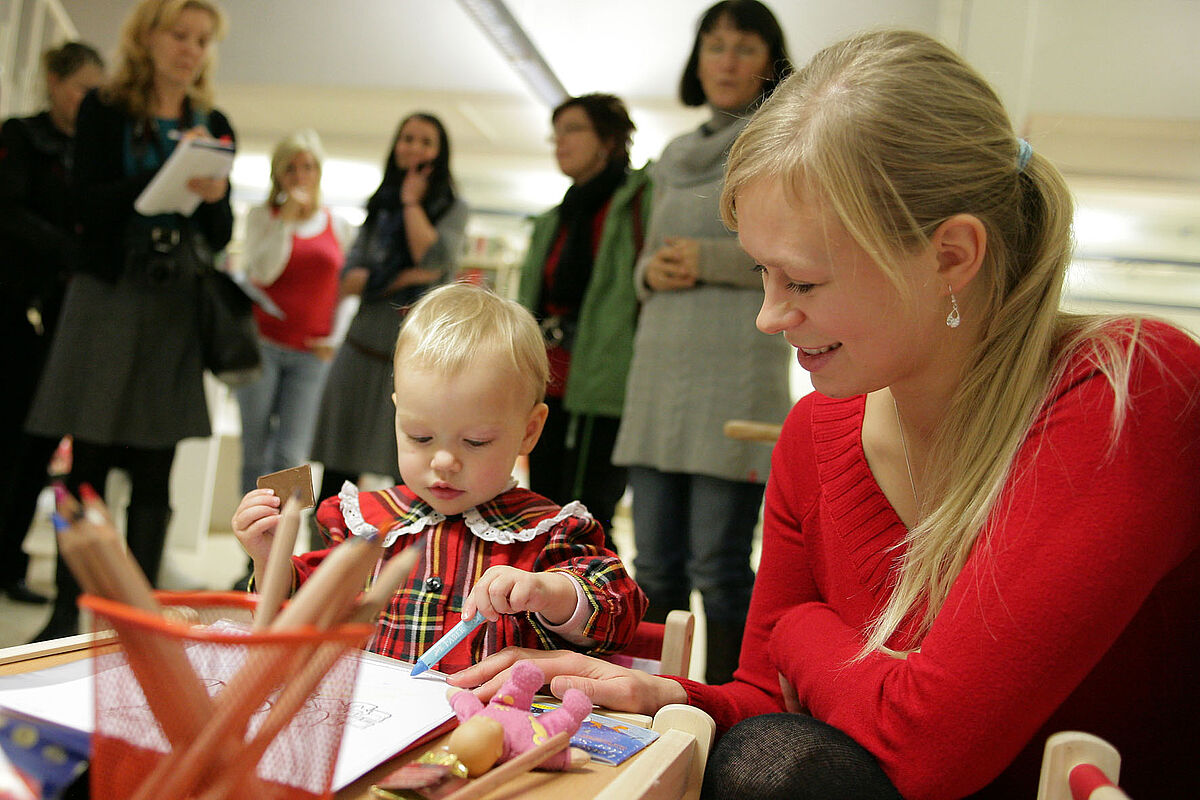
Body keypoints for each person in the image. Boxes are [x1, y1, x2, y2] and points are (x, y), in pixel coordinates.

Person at [448, 29, 1200, 800]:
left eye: (802, 283)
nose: (769, 317)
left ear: (951, 257)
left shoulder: (1126, 390)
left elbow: (928, 749)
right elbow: (770, 700)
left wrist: (800, 628)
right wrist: (670, 696)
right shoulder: (815, 434)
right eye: (762, 275)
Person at [233, 283, 647, 674]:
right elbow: (307, 611)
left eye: (476, 441)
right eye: (420, 437)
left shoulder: (548, 533)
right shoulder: (366, 522)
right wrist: (271, 557)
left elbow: (620, 612)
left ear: (529, 431)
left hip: (489, 733)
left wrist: (549, 592)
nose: (445, 461)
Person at [25, 0, 234, 641]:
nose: (190, 50)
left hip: (172, 310)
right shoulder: (106, 109)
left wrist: (211, 194)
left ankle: (139, 622)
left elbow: (219, 234)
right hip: (107, 299)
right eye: (180, 34)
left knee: (154, 469)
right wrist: (159, 176)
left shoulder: (213, 122)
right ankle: (68, 611)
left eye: (201, 40)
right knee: (86, 461)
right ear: (147, 35)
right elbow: (83, 206)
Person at [611, 0, 793, 685]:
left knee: (718, 571)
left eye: (744, 48)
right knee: (652, 566)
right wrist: (647, 272)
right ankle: (646, 698)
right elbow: (649, 256)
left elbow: (808, 255)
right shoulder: (671, 157)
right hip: (660, 382)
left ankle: (726, 710)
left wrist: (708, 263)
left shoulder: (784, 145)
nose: (725, 60)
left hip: (734, 384)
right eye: (713, 45)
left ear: (770, 63)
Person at [309, 112, 468, 504]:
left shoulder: (453, 208)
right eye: (407, 138)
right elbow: (349, 281)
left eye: (425, 141)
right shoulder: (379, 207)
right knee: (336, 467)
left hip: (415, 361)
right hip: (359, 351)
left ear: (440, 154)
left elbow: (430, 257)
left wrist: (412, 202)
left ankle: (396, 562)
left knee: (407, 470)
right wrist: (401, 277)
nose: (414, 147)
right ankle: (323, 557)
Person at [517, 93, 651, 551]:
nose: (560, 141)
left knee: (591, 511)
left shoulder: (635, 201)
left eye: (574, 129)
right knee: (542, 506)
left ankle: (593, 607)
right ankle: (541, 609)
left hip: (606, 377)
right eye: (556, 132)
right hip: (548, 374)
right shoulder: (557, 216)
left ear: (610, 139)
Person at [0, 41, 104, 605]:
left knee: (37, 447)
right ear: (54, 81)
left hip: (65, 320)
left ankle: (9, 560)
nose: (87, 101)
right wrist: (71, 250)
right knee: (7, 439)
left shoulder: (87, 153)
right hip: (14, 309)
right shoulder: (20, 137)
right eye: (80, 88)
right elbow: (9, 212)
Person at [235, 129, 351, 496]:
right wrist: (284, 221)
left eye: (308, 167)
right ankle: (252, 545)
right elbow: (264, 270)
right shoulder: (262, 218)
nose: (301, 175)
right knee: (255, 449)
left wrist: (335, 338)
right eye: (291, 169)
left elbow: (346, 290)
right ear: (278, 176)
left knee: (291, 452)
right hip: (262, 346)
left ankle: (281, 543)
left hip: (311, 355)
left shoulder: (339, 225)